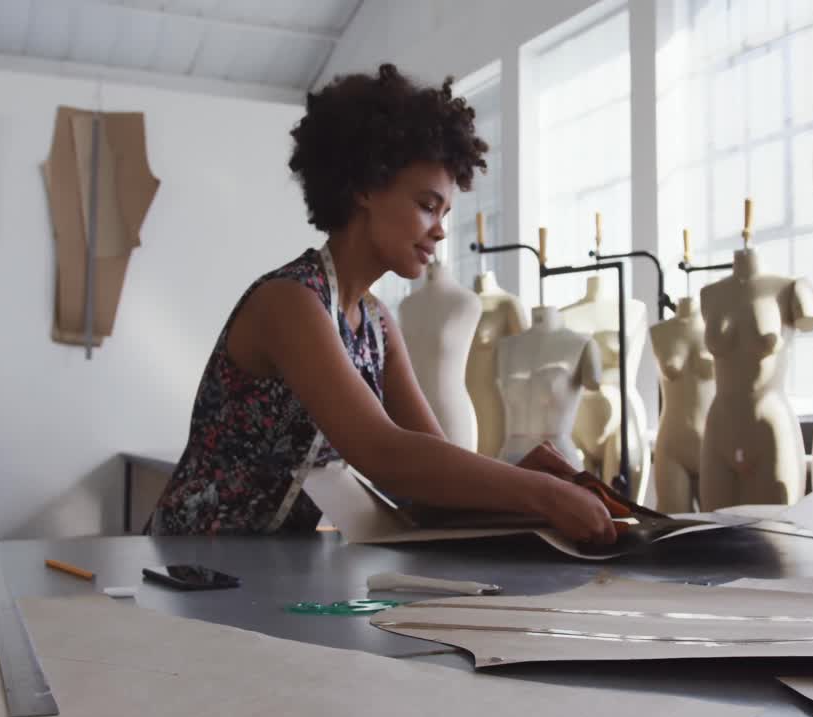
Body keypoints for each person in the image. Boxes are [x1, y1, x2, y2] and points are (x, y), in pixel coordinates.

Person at [150, 64, 616, 545]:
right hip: (189, 561)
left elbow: (433, 476)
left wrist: (520, 476)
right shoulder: (289, 303)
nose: (439, 229)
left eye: (445, 213)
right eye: (427, 205)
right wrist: (539, 493)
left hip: (270, 568)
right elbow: (383, 452)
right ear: (365, 188)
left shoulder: (375, 325)